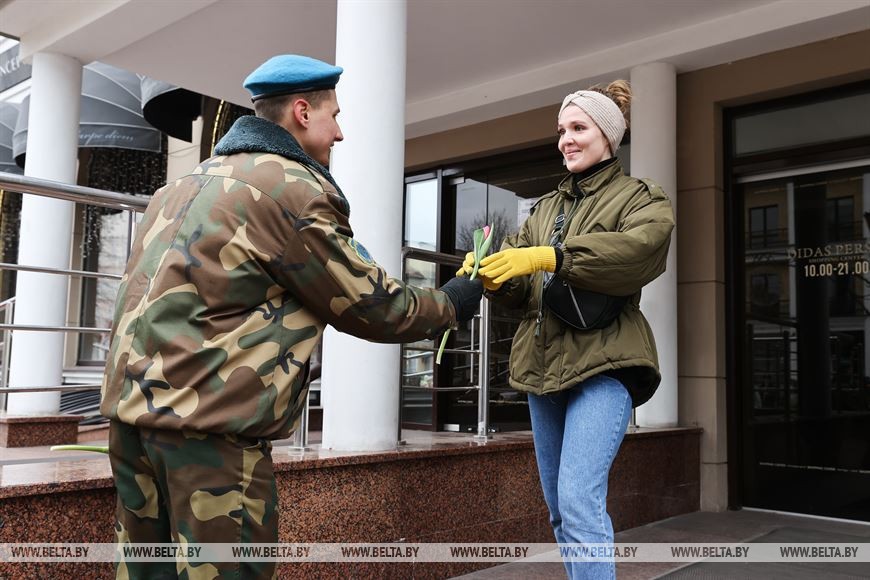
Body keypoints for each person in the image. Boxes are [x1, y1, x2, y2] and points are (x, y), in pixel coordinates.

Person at [100, 54, 483, 579]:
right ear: (302, 112)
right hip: (207, 433)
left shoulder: (185, 185)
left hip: (131, 420)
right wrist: (455, 301)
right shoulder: (290, 189)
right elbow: (373, 305)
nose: (341, 133)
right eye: (334, 116)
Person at [459, 81, 674, 579]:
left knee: (579, 501)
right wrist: (495, 274)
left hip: (604, 367)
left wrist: (552, 256)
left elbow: (640, 252)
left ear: (608, 135)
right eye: (561, 130)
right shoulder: (545, 209)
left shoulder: (639, 198)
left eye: (578, 128)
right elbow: (526, 292)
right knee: (560, 509)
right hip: (542, 372)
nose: (565, 140)